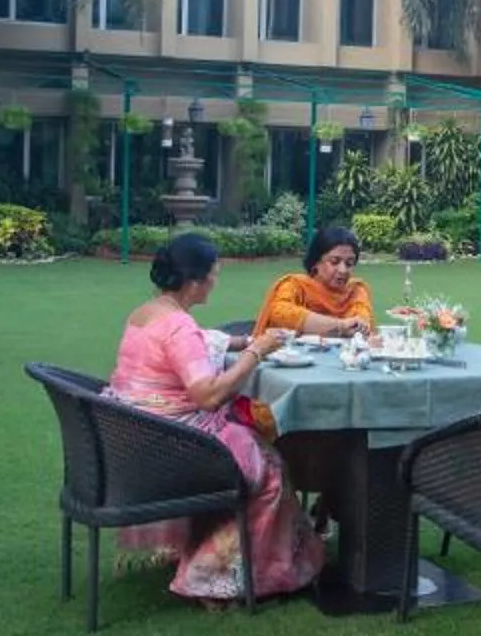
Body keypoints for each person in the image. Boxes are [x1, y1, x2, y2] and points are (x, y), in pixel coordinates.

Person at [107, 233, 328, 603]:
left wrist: (240, 342)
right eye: (213, 275)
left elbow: (192, 342)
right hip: (177, 441)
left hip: (136, 433)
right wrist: (255, 352)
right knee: (270, 469)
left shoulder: (148, 313)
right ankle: (210, 573)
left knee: (258, 453)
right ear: (194, 281)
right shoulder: (179, 328)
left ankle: (208, 550)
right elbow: (208, 395)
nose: (214, 283)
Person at [255, 223, 375, 338]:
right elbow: (280, 313)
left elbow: (361, 323)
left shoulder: (355, 290)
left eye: (349, 263)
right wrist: (340, 326)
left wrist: (353, 327)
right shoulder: (295, 285)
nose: (343, 270)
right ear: (316, 261)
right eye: (334, 261)